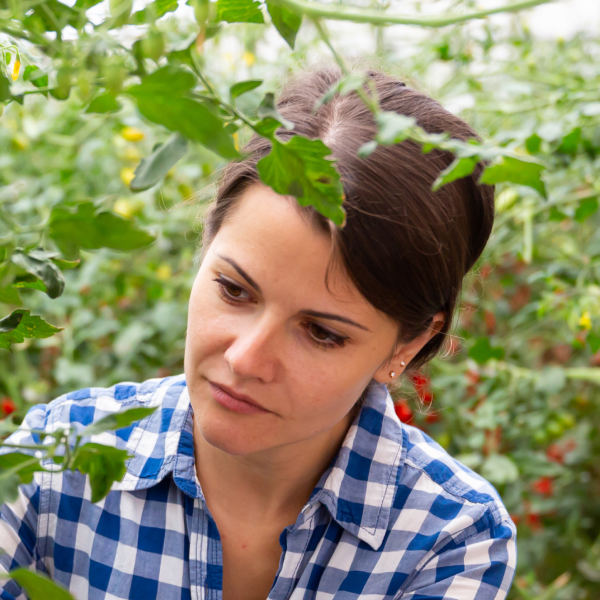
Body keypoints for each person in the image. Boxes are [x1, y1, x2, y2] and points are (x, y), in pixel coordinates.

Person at [0, 64, 516, 600]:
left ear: (408, 345)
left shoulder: (449, 540)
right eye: (234, 290)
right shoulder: (53, 462)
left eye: (321, 333)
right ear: (205, 247)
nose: (245, 359)